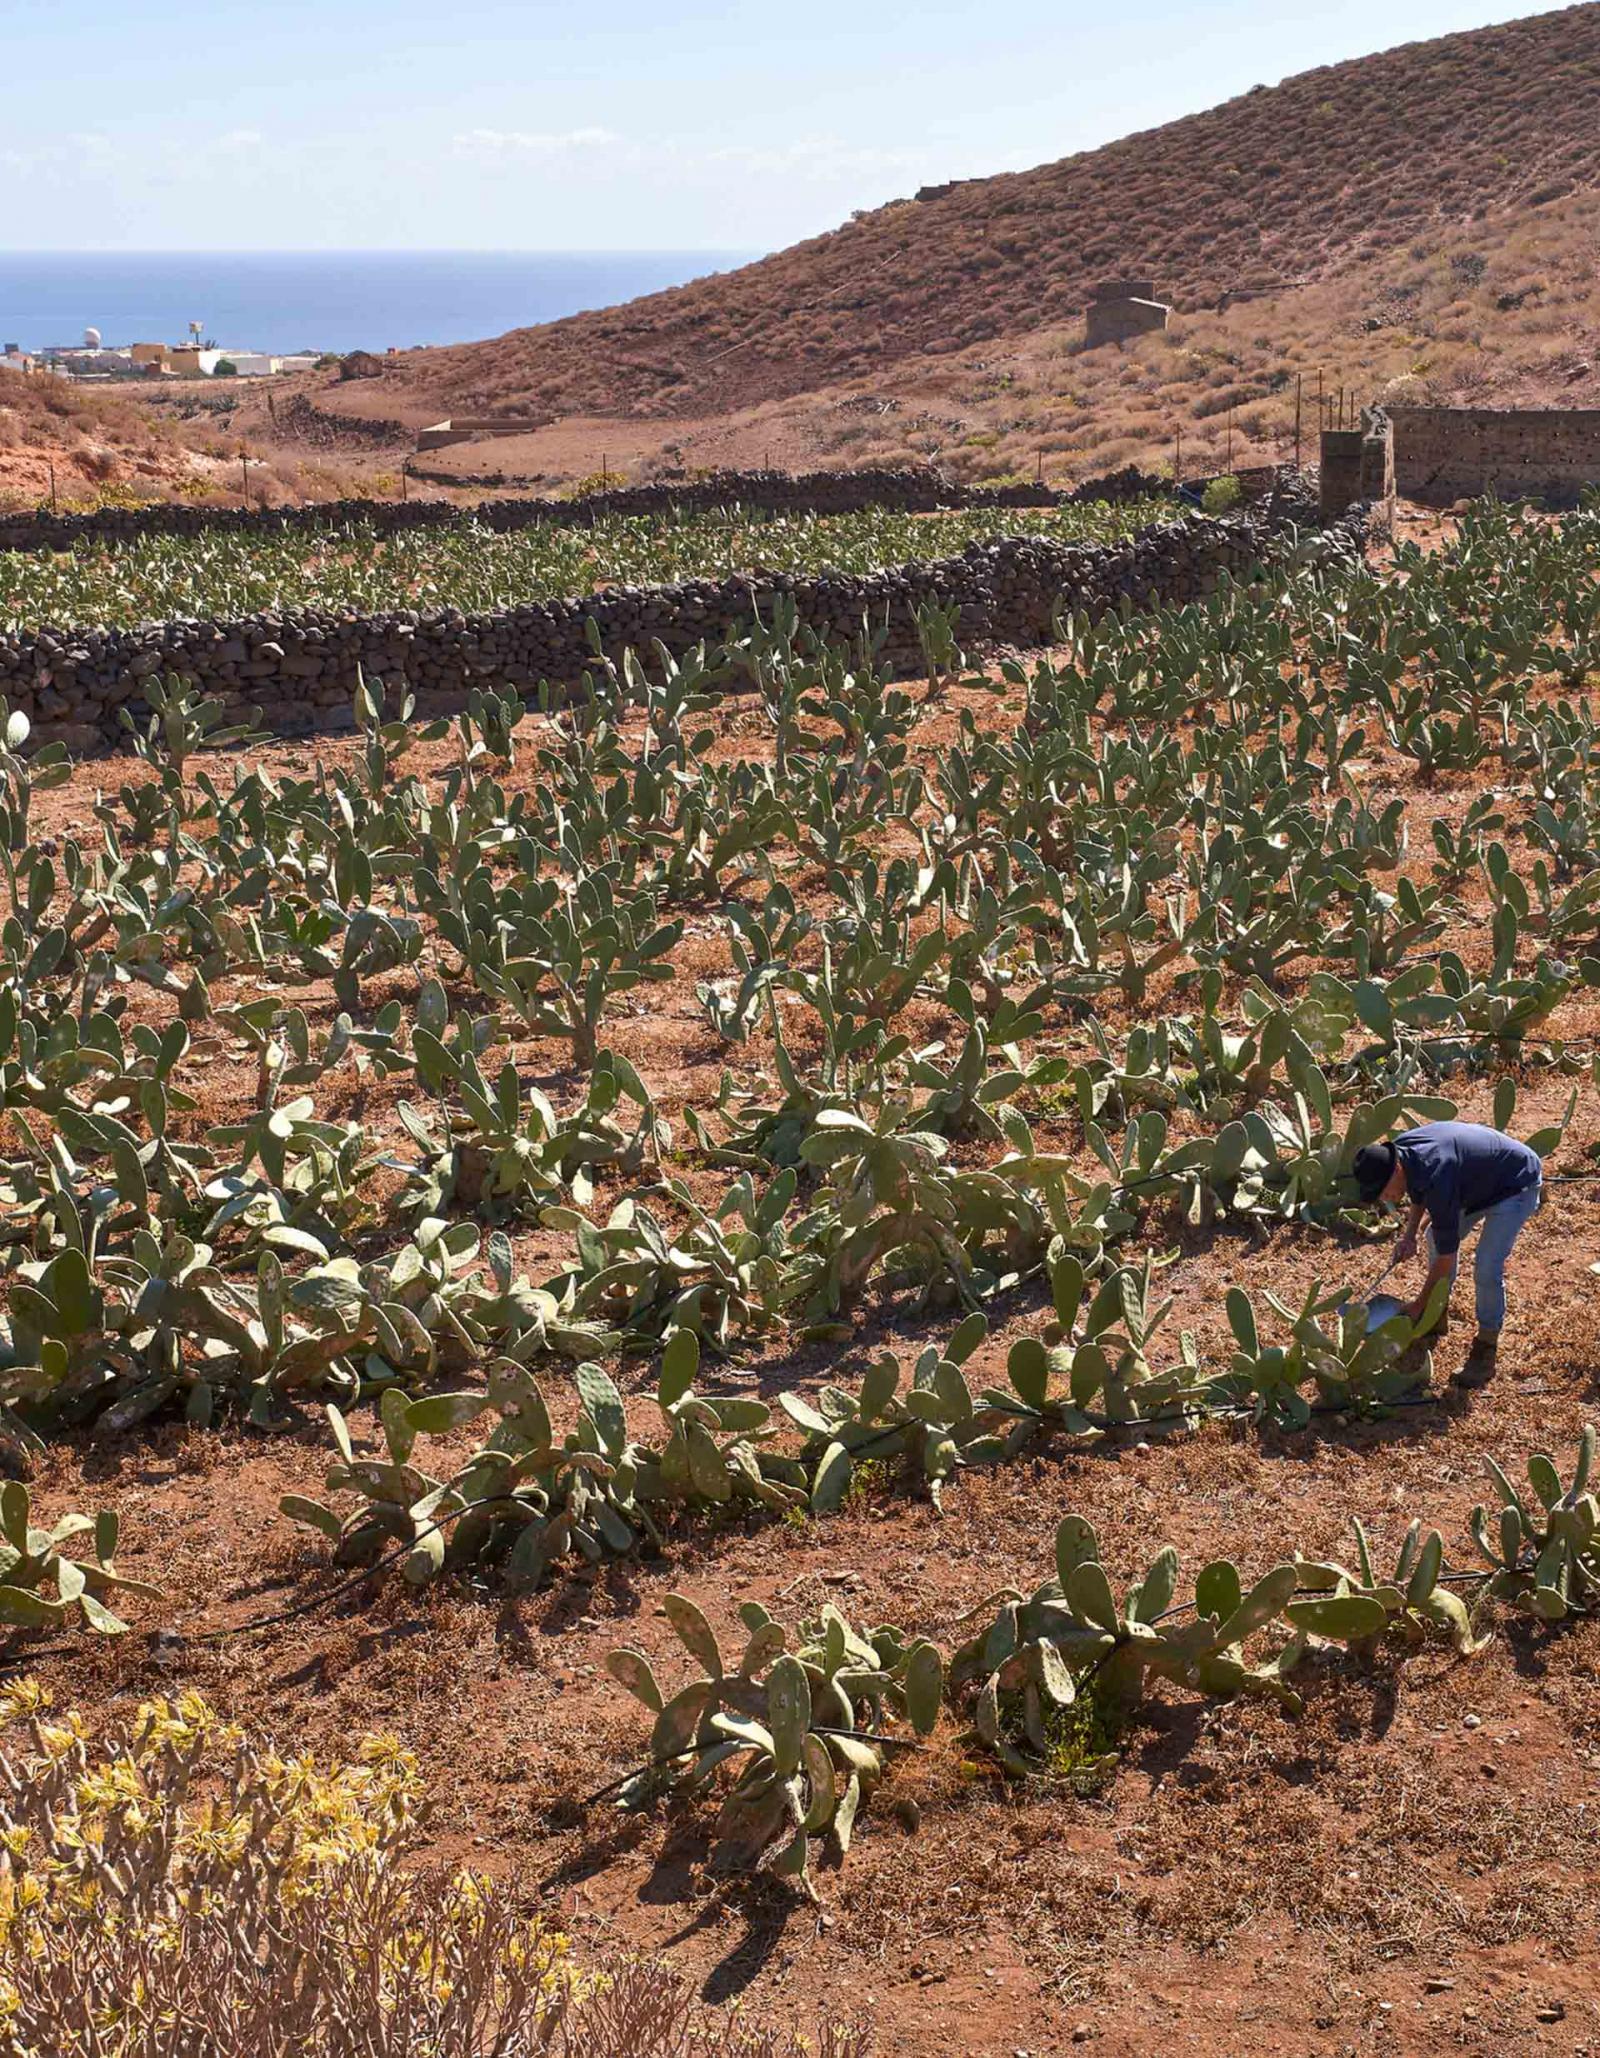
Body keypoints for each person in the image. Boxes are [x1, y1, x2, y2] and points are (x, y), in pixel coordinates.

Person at [1351, 1120, 1543, 1386]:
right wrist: (1410, 1235)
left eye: (1382, 1190)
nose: (1384, 1198)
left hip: (1515, 1184)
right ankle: (1436, 1313)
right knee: (1433, 1237)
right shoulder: (1404, 1153)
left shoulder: (1437, 1172)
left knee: (1486, 1267)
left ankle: (1486, 1345)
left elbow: (1446, 1257)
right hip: (1476, 1184)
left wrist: (1418, 1305)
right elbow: (1417, 1189)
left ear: (1395, 1169)